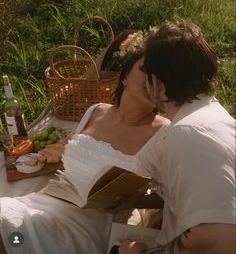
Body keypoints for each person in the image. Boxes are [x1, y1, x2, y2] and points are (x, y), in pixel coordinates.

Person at [0, 40, 170, 254]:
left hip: (88, 224)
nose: (151, 80)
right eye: (145, 69)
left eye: (161, 76)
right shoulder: (96, 110)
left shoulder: (164, 133)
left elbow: (175, 194)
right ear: (125, 76)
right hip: (45, 201)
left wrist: (137, 200)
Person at [117, 21, 235, 254]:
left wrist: (139, 252)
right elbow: (208, 202)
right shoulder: (212, 117)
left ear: (157, 83)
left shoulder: (189, 134)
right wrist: (143, 201)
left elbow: (220, 239)